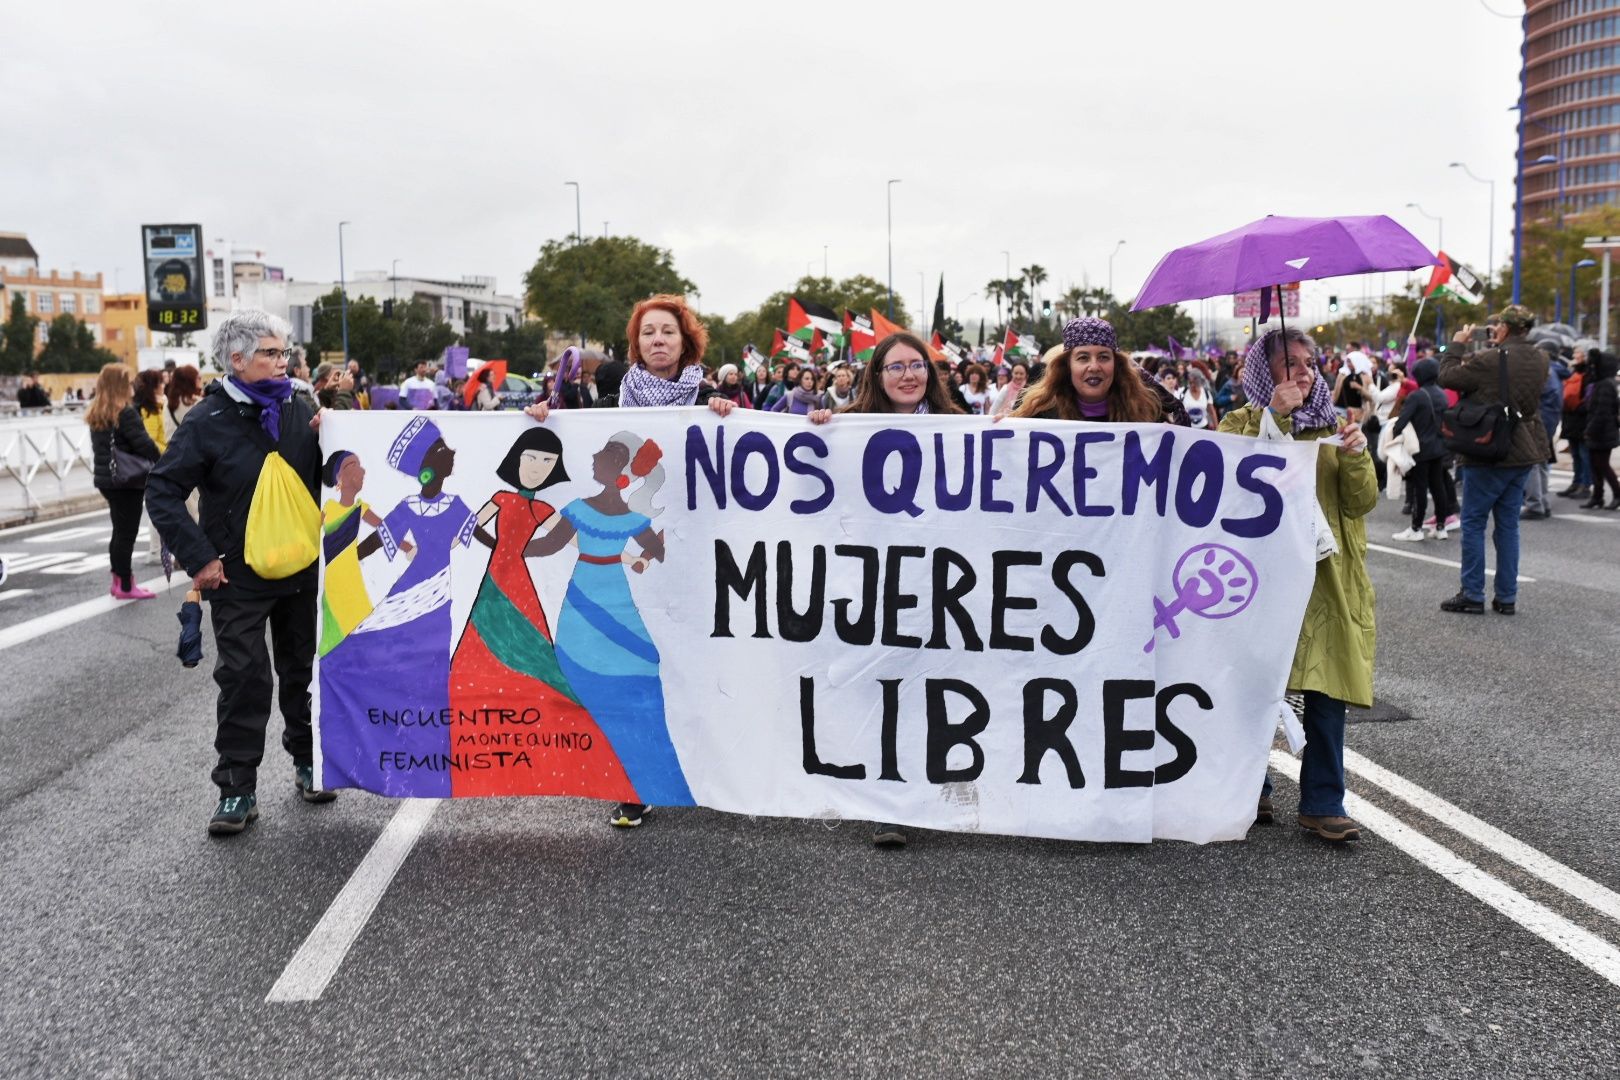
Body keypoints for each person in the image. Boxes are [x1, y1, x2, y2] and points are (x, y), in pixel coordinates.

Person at [524, 292, 730, 828]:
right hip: (618, 582)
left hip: (694, 555)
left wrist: (730, 416)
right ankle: (632, 784)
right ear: (635, 344)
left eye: (667, 332)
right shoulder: (615, 402)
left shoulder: (712, 397)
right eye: (648, 333)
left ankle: (714, 769)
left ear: (686, 340)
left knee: (690, 662)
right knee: (625, 673)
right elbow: (572, 441)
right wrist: (547, 416)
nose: (658, 341)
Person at [145, 310, 329, 835]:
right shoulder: (207, 420)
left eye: (283, 351)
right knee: (244, 679)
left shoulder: (302, 408)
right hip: (237, 578)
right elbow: (163, 489)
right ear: (237, 359)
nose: (283, 361)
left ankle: (309, 762)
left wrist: (334, 436)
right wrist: (200, 557)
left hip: (301, 572)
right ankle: (237, 788)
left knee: (305, 673)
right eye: (270, 353)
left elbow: (345, 468)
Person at [810, 331, 963, 848]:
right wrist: (818, 434)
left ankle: (924, 793)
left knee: (923, 688)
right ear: (876, 376)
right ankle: (887, 803)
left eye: (916, 365)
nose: (907, 376)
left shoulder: (960, 428)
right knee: (880, 687)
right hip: (871, 578)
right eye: (895, 367)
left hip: (936, 580)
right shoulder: (848, 428)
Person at [1220, 328, 1374, 843]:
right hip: (1258, 578)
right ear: (1263, 372)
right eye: (1289, 363)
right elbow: (1232, 487)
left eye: (1310, 362)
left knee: (1327, 691)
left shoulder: (1333, 426)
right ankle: (1251, 787)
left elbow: (1360, 503)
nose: (1305, 372)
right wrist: (1276, 421)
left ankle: (1324, 801)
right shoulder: (1239, 422)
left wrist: (1356, 456)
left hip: (1324, 583)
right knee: (1253, 687)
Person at [1439, 308, 1551, 615]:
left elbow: (1447, 376)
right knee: (1508, 525)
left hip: (1490, 448)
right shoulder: (1542, 359)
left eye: (1498, 323)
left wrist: (1457, 344)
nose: (1494, 328)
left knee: (1474, 523)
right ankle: (1506, 597)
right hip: (1525, 447)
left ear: (1506, 328)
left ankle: (1473, 593)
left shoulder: (1492, 359)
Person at [1012, 317, 1190, 426]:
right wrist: (999, 429)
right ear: (1067, 365)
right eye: (1083, 358)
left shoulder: (1146, 413)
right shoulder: (1039, 415)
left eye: (1104, 357)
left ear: (1116, 364)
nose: (1094, 366)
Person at [87, 363, 162, 601]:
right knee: (126, 533)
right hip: (126, 480)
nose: (133, 387)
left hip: (107, 480)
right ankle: (126, 585)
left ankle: (118, 581)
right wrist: (164, 461)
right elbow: (144, 444)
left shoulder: (97, 412)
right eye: (129, 382)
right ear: (120, 385)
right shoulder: (126, 412)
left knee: (119, 531)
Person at [1388, 357, 1452, 541]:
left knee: (1419, 488)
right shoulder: (1442, 394)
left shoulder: (1417, 395)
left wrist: (1394, 433)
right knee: (1438, 487)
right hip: (1439, 447)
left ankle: (1415, 529)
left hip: (1420, 449)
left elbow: (1401, 422)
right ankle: (1441, 527)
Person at [1581, 349, 1619, 510]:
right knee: (1595, 465)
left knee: (1602, 465)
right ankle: (1597, 496)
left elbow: (1601, 413)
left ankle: (1617, 494)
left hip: (1603, 433)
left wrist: (1589, 430)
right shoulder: (1605, 382)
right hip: (1602, 431)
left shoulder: (1605, 385)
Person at [1560, 348, 1592, 500]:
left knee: (1584, 455)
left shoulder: (1589, 375)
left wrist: (1576, 407)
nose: (1574, 356)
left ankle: (1585, 485)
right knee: (1576, 455)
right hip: (1572, 420)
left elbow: (1588, 400)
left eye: (1578, 354)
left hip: (1581, 420)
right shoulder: (1573, 372)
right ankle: (1577, 483)